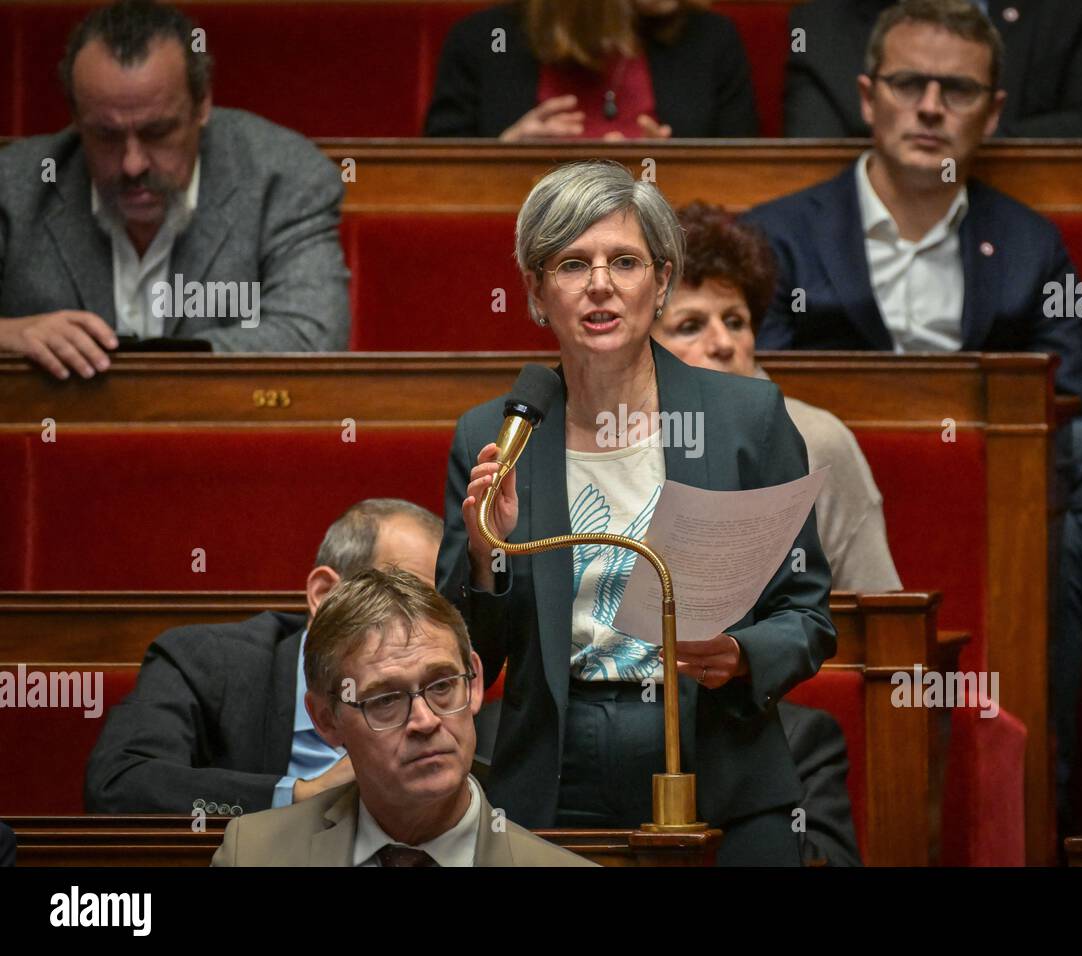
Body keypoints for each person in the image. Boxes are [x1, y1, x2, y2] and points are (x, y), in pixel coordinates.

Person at [743, 0, 1082, 831]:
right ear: (869, 96)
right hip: (826, 508)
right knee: (1077, 484)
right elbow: (750, 409)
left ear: (992, 113)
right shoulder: (779, 236)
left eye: (956, 90)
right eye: (910, 84)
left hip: (1005, 509)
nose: (929, 107)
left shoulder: (1027, 243)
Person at [435, 159, 835, 866]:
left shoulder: (746, 419)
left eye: (624, 261)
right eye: (570, 264)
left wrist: (742, 655)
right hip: (556, 764)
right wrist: (483, 551)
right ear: (535, 291)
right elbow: (469, 655)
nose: (600, 285)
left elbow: (807, 614)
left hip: (719, 756)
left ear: (661, 279)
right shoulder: (494, 436)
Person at [0, 0, 350, 380]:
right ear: (76, 118)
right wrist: (7, 334)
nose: (133, 164)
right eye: (106, 136)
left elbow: (312, 336)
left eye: (157, 133)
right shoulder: (15, 186)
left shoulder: (283, 178)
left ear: (202, 106)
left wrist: (151, 374)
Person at [212, 568, 592, 866]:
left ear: (474, 684)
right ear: (326, 720)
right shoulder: (253, 855)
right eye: (386, 699)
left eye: (442, 686)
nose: (425, 721)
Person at [84, 499, 442, 815]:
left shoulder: (449, 694)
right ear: (325, 594)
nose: (422, 629)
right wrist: (298, 797)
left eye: (438, 608)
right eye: (400, 599)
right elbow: (119, 783)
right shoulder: (206, 663)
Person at [654, 200, 902, 594]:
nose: (723, 343)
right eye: (690, 326)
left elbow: (880, 617)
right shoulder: (613, 432)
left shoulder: (816, 438)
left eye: (735, 321)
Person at [784, 0, 1082, 139]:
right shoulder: (824, 21)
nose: (931, 108)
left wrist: (956, 138)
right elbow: (816, 161)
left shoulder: (1080, 9)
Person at [424, 0, 758, 140]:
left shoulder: (710, 38)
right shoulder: (482, 41)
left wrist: (672, 171)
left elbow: (748, 182)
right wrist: (504, 158)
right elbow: (428, 184)